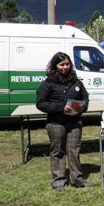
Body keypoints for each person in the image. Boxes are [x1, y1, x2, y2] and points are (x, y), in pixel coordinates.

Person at [36, 52, 89, 192]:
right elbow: (40, 103)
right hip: (56, 123)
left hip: (74, 122)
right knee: (58, 152)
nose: (65, 67)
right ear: (55, 66)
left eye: (67, 64)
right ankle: (59, 181)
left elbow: (85, 98)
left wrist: (82, 107)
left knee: (74, 151)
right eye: (61, 64)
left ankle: (77, 180)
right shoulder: (48, 83)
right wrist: (60, 107)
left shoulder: (76, 82)